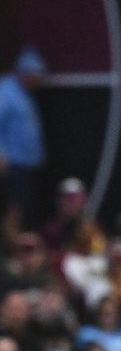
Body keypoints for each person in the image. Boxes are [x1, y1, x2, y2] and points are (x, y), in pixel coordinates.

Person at [0, 47, 47, 229]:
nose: (38, 81)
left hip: (27, 166)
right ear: (26, 73)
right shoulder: (6, 92)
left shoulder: (25, 94)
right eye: (36, 76)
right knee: (15, 211)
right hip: (12, 166)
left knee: (28, 211)